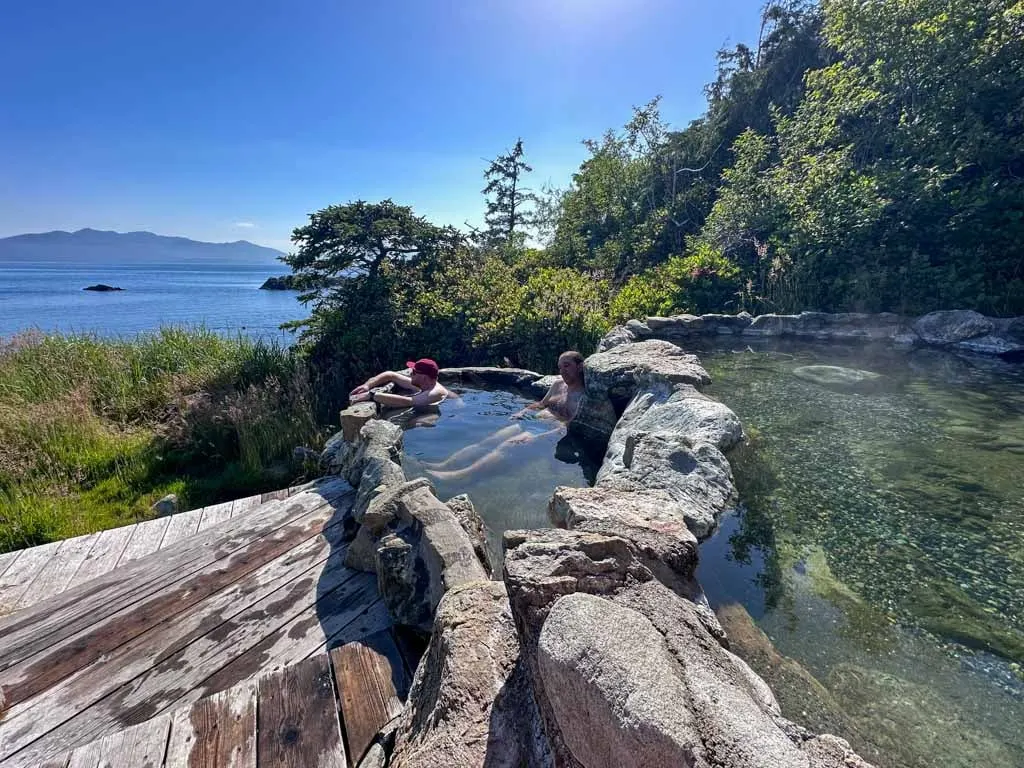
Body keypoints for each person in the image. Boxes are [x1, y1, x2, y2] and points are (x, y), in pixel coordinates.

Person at [423, 351, 585, 481]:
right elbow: (541, 404)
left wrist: (539, 437)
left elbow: (568, 426)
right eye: (560, 367)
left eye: (567, 366)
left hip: (547, 430)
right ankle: (446, 464)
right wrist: (523, 412)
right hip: (532, 420)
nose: (563, 371)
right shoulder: (558, 385)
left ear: (579, 366)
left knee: (507, 445)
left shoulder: (582, 396)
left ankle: (460, 475)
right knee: (488, 441)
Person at [349, 358, 451, 410]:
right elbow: (391, 375)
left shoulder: (434, 393)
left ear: (424, 377)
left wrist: (372, 395)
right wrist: (367, 385)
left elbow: (408, 401)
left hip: (450, 410)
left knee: (418, 422)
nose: (411, 373)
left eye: (414, 372)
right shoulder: (425, 384)